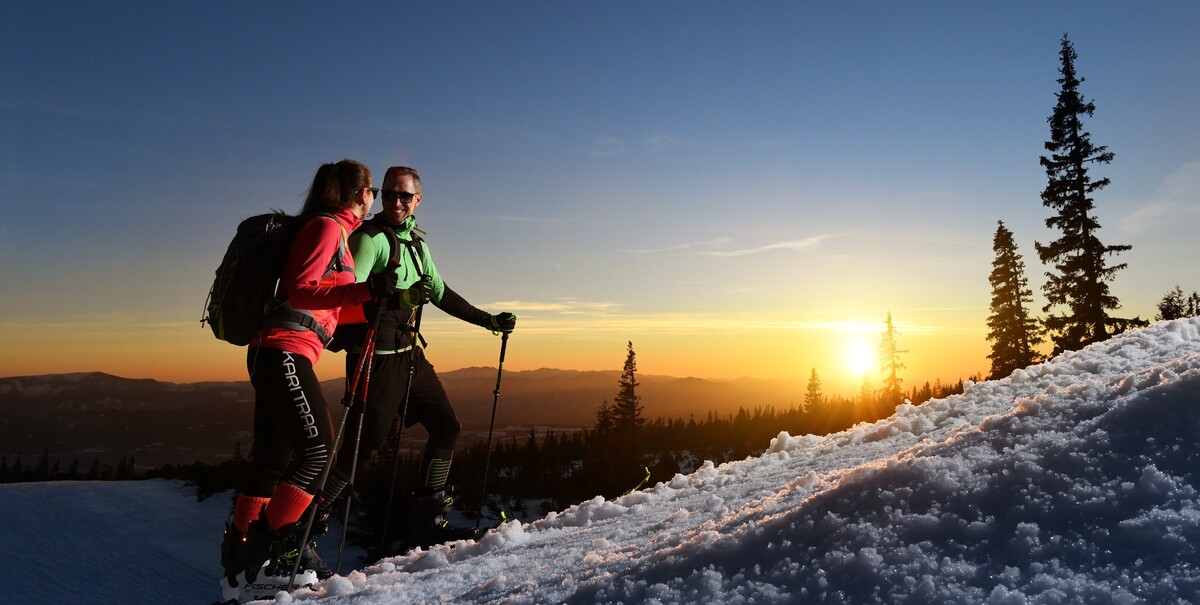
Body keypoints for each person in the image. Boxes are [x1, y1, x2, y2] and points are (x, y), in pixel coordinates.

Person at [220, 160, 395, 594]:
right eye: (372, 191)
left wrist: (369, 304)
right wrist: (365, 289)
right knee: (318, 452)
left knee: (271, 464)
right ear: (359, 194)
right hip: (283, 351)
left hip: (275, 351)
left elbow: (323, 302)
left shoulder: (329, 230)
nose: (374, 199)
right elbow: (300, 289)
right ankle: (271, 551)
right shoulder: (326, 228)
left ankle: (238, 557)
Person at [320, 165, 516, 551]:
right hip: (374, 361)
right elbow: (344, 302)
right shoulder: (370, 240)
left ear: (417, 200)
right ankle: (308, 520)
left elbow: (441, 293)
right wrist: (398, 299)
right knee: (363, 450)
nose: (395, 201)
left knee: (447, 426)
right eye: (389, 193)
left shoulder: (417, 246)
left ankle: (429, 522)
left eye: (404, 196)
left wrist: (488, 320)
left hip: (409, 357)